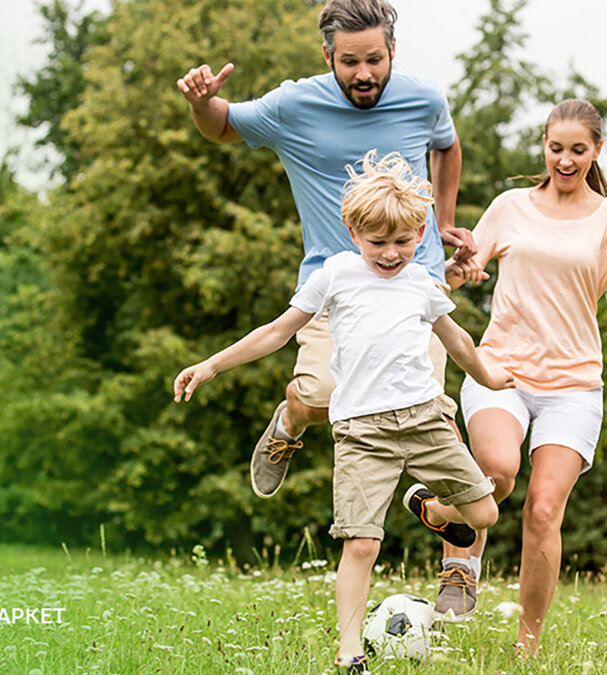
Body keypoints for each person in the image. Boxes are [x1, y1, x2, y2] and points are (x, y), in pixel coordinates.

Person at [172, 151, 511, 672]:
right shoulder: (336, 275)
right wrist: (212, 365)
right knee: (360, 546)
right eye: (379, 243)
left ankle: (428, 507)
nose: (392, 254)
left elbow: (458, 341)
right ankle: (349, 650)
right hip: (362, 433)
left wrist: (490, 377)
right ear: (353, 231)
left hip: (423, 422)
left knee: (484, 512)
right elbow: (276, 332)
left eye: (403, 242)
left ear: (421, 232)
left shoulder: (422, 283)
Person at [175, 0, 473, 500]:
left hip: (415, 278)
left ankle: (458, 567)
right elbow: (221, 126)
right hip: (335, 286)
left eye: (375, 60)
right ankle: (291, 419)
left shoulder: (423, 99)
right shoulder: (293, 106)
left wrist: (442, 221)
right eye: (349, 61)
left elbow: (446, 143)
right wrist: (201, 103)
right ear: (327, 55)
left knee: (433, 412)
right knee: (322, 398)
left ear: (393, 49)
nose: (363, 73)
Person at [439, 99, 607, 656]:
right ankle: (459, 560)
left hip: (575, 385)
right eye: (555, 148)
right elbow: (466, 271)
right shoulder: (511, 206)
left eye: (577, 150)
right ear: (543, 145)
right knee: (497, 469)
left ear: (597, 151)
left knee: (543, 509)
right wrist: (456, 270)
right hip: (502, 369)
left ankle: (528, 648)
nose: (565, 160)